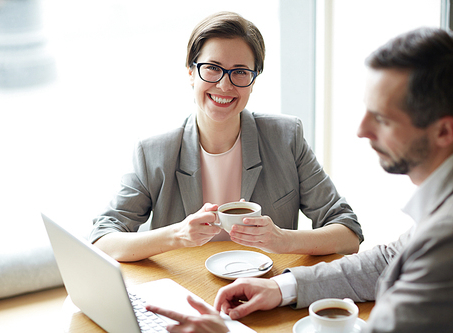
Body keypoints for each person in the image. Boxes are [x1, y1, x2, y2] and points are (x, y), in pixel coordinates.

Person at [147, 27, 453, 332]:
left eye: (383, 119)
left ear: (443, 132)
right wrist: (282, 287)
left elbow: (348, 231)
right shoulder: (438, 215)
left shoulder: (445, 236)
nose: (361, 130)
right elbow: (387, 261)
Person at [90, 11, 363, 262]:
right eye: (212, 68)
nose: (224, 84)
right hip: (184, 295)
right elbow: (102, 240)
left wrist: (282, 239)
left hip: (267, 291)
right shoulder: (153, 153)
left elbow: (348, 233)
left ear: (253, 81)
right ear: (191, 73)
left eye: (240, 72)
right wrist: (177, 235)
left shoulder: (286, 138)